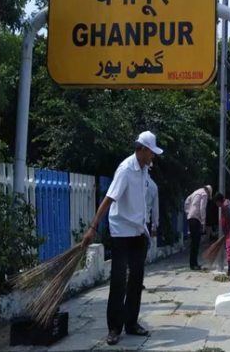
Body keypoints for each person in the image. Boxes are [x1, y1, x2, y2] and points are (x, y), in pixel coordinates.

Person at [81, 130, 163, 346]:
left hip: (138, 232)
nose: (153, 157)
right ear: (143, 149)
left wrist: (148, 225)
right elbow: (109, 199)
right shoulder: (126, 169)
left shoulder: (145, 169)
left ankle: (131, 323)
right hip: (121, 232)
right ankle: (114, 328)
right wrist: (92, 227)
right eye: (151, 152)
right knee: (119, 280)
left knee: (136, 279)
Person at [184, 185, 212, 270]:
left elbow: (186, 202)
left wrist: (188, 213)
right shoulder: (204, 194)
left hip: (191, 218)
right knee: (196, 242)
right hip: (197, 219)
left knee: (194, 242)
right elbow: (202, 208)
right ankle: (194, 264)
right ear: (208, 191)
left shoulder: (196, 192)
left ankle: (193, 263)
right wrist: (203, 222)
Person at [214, 193, 230, 276]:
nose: (216, 204)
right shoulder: (226, 205)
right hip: (229, 231)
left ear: (219, 201)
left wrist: (227, 229)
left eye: (216, 202)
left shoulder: (226, 207)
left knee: (229, 249)